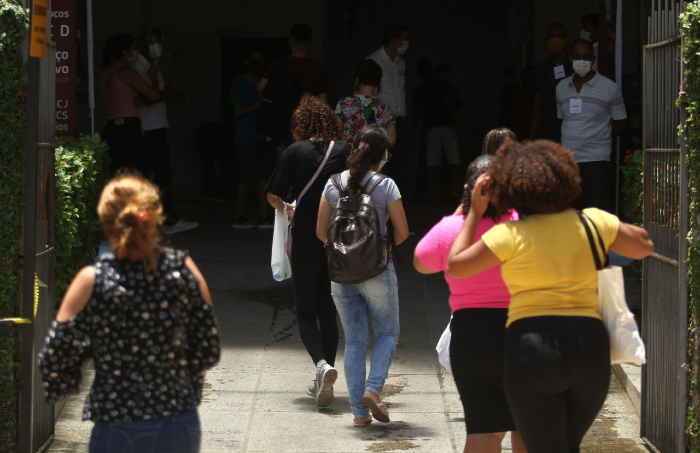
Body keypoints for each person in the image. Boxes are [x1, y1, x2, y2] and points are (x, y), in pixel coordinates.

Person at [446, 139, 653, 452]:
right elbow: (644, 245)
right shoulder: (594, 222)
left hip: (532, 350)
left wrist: (474, 212)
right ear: (569, 180)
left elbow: (456, 266)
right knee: (565, 445)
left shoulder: (509, 234)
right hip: (590, 350)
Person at [39, 173, 221, 453]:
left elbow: (56, 356)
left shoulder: (92, 280)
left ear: (107, 219)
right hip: (178, 418)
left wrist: (84, 364)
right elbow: (208, 348)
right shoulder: (184, 269)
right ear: (155, 216)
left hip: (117, 420)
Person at [414, 155, 524, 453]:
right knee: (527, 428)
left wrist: (462, 212)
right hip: (521, 333)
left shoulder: (453, 229)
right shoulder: (522, 226)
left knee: (483, 430)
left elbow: (421, 262)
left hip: (470, 338)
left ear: (468, 189)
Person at [316, 125, 410, 427]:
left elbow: (320, 232)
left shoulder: (333, 183)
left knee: (355, 341)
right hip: (377, 271)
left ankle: (359, 413)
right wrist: (377, 248)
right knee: (387, 333)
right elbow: (403, 232)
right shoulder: (386, 184)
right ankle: (373, 389)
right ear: (382, 154)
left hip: (340, 274)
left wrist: (346, 253)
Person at [265, 95, 351, 407]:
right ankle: (323, 377)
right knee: (328, 309)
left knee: (305, 312)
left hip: (303, 238)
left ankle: (322, 367)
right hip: (337, 239)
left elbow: (272, 195)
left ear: (301, 123)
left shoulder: (294, 152)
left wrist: (289, 208)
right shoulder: (345, 150)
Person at [130, 28, 199, 235]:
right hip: (147, 128)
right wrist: (171, 91)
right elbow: (150, 97)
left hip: (157, 126)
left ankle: (165, 219)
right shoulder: (137, 67)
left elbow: (154, 95)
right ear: (142, 43)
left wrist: (168, 90)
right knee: (151, 176)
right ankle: (158, 220)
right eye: (153, 41)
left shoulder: (153, 65)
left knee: (163, 175)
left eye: (159, 41)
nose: (156, 45)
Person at [556, 39, 627, 210]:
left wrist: (599, 136)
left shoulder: (609, 88)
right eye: (577, 56)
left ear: (593, 60)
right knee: (570, 212)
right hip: (569, 161)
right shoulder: (561, 87)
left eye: (587, 57)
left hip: (597, 160)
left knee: (594, 213)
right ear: (570, 58)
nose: (582, 61)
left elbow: (622, 123)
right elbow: (563, 119)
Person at [100, 34, 160, 176]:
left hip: (110, 127)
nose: (135, 53)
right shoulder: (127, 72)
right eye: (133, 49)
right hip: (128, 127)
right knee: (138, 172)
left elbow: (119, 96)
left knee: (118, 173)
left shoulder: (106, 73)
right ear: (124, 52)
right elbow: (154, 95)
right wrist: (153, 76)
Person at [230, 51, 274, 228]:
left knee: (262, 178)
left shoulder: (264, 84)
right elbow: (238, 111)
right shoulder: (239, 83)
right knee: (245, 179)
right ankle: (238, 216)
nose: (258, 64)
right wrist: (258, 104)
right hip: (245, 138)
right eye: (255, 61)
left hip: (262, 137)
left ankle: (264, 217)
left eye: (261, 61)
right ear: (247, 62)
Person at [367, 23, 410, 191]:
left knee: (400, 166)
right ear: (394, 40)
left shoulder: (401, 63)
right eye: (404, 39)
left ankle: (397, 208)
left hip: (400, 120)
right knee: (380, 166)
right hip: (381, 123)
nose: (407, 43)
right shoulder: (374, 61)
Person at [413, 63, 461, 203]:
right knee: (445, 160)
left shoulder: (429, 88)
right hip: (439, 126)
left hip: (436, 127)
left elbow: (419, 112)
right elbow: (450, 104)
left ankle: (439, 192)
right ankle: (444, 191)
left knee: (439, 161)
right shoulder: (440, 88)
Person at [529, 23, 573, 143]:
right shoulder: (540, 70)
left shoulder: (576, 68)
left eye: (558, 36)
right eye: (551, 36)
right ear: (546, 40)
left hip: (572, 131)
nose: (555, 40)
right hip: (547, 133)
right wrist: (532, 138)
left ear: (566, 40)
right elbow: (536, 108)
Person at [335, 59, 396, 145]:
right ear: (378, 81)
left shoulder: (344, 104)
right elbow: (391, 140)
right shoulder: (384, 107)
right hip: (374, 157)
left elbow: (336, 134)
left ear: (357, 78)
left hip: (349, 156)